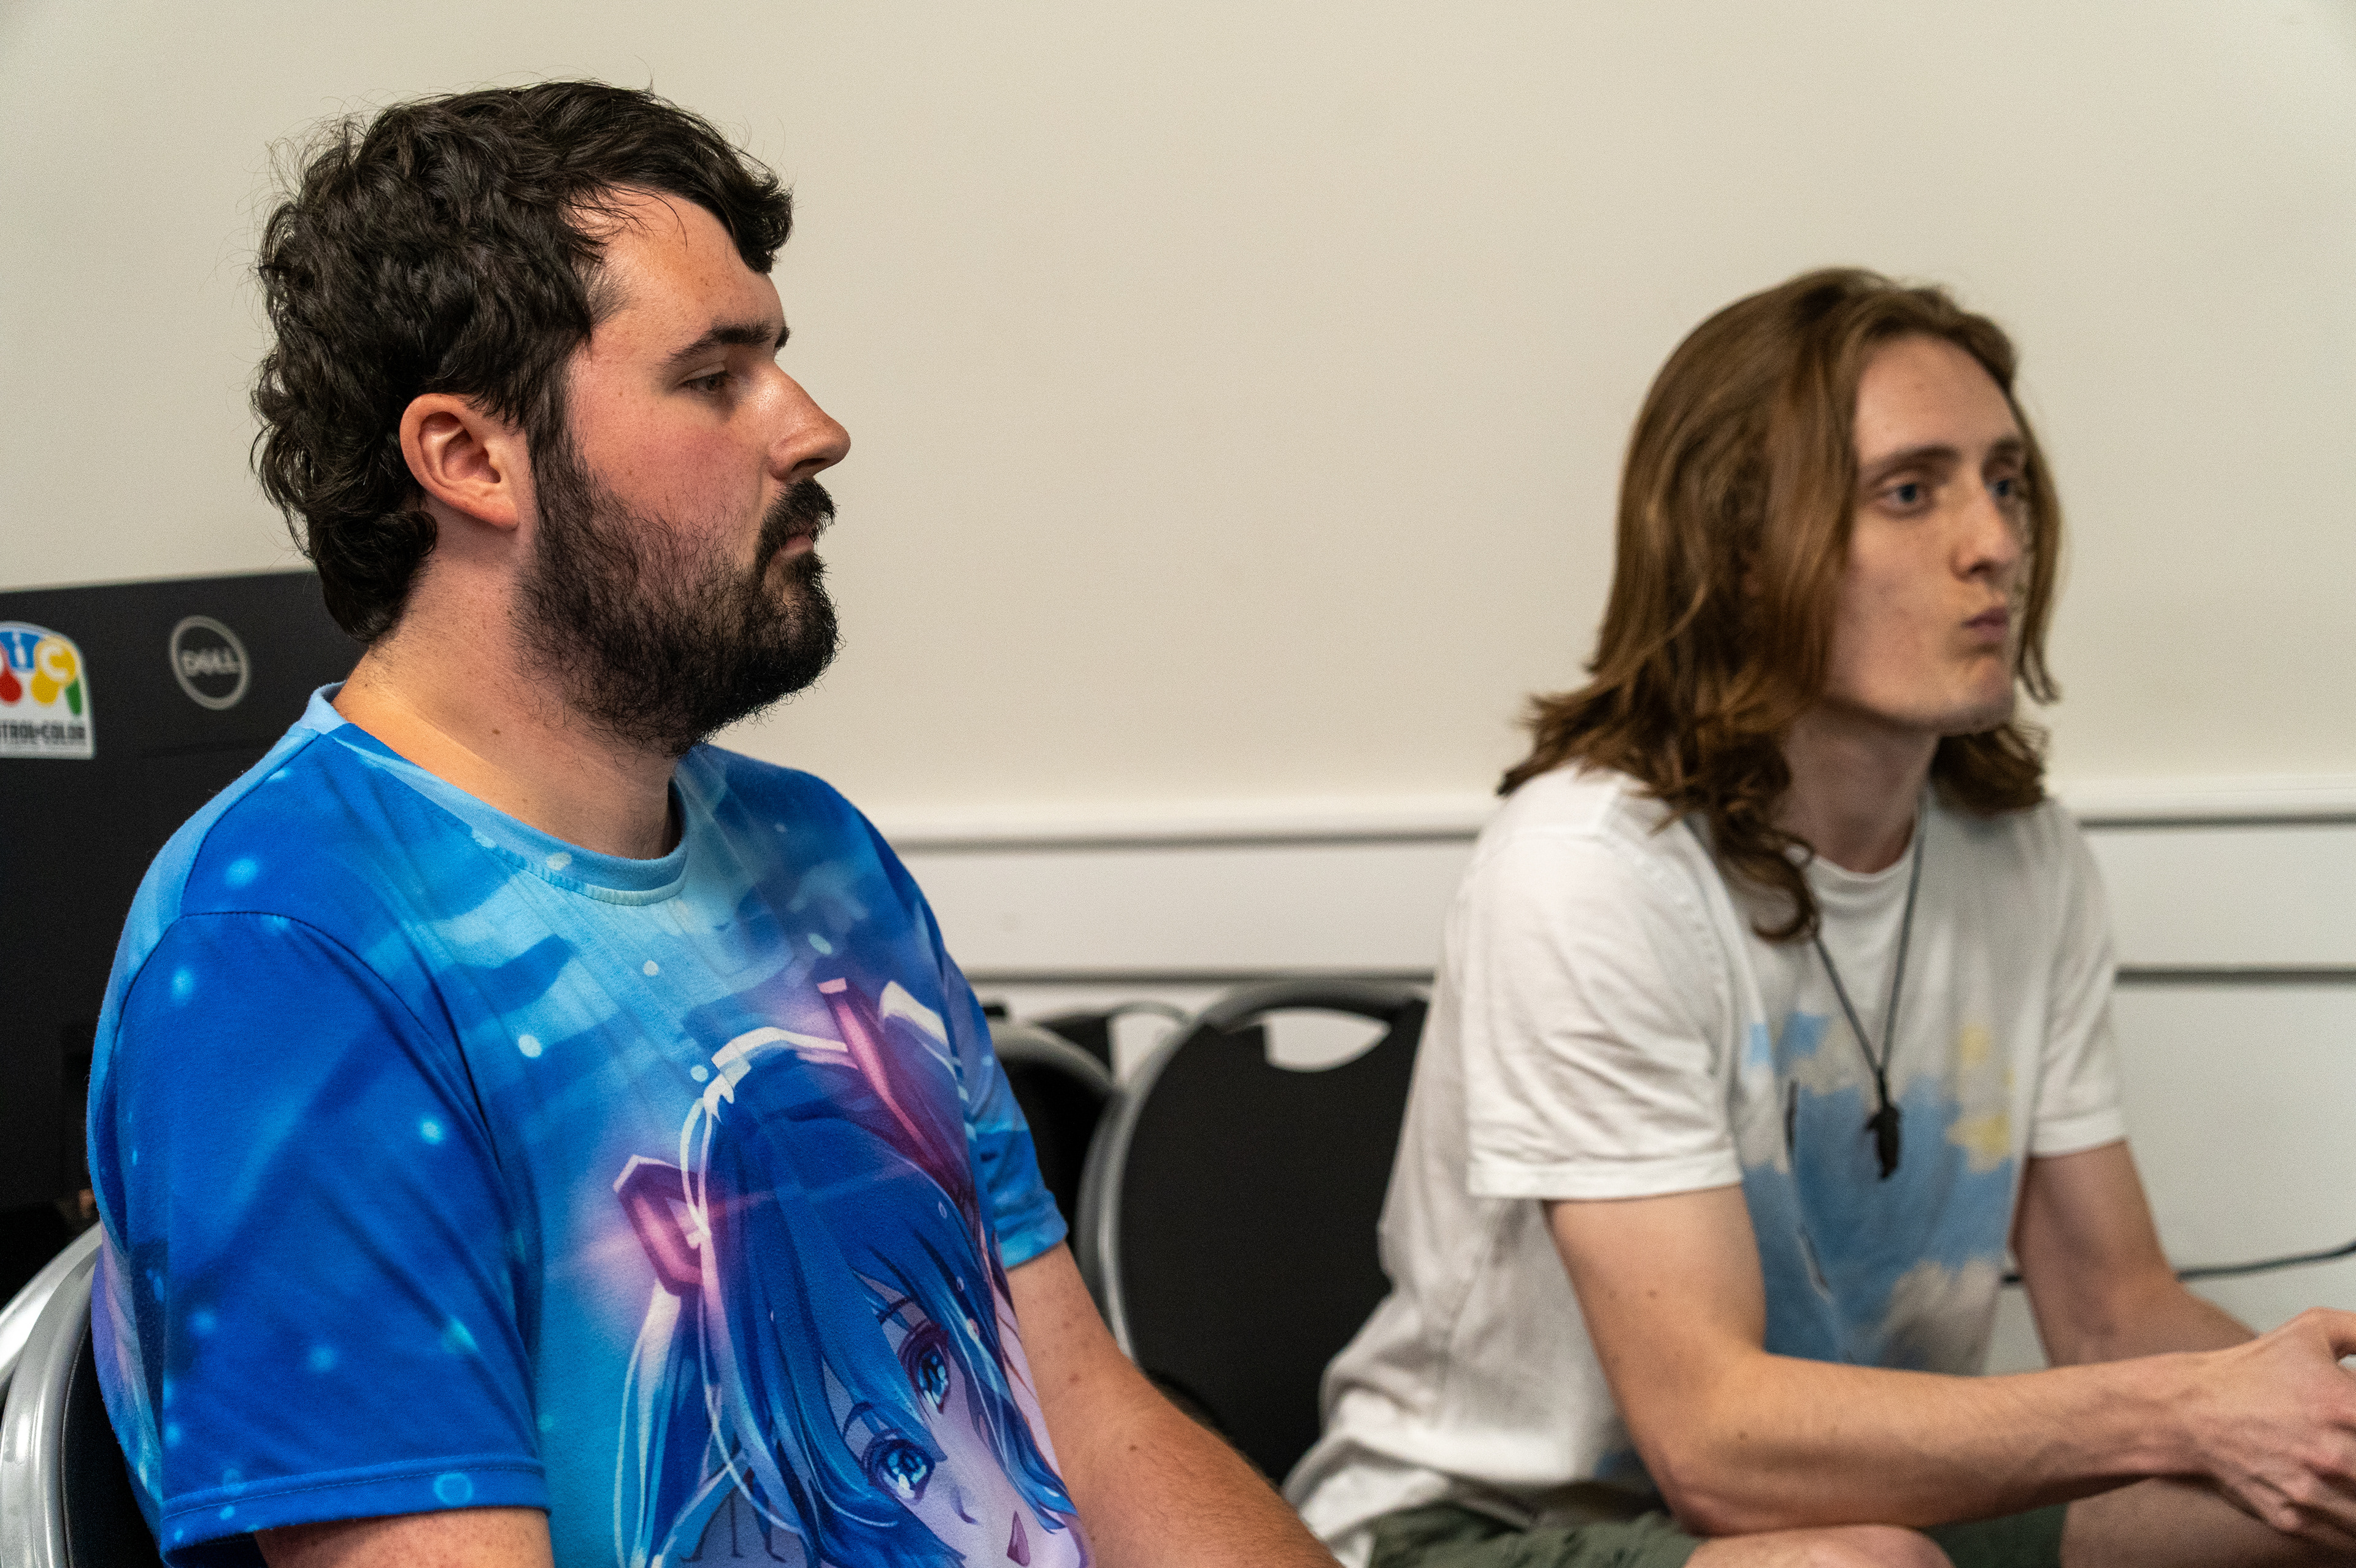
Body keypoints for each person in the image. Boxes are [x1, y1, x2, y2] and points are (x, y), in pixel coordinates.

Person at [85, 81, 1335, 1568]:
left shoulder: (820, 856)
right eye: (714, 376)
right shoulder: (286, 952)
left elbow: (1081, 1411)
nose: (816, 428)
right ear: (471, 458)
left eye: (778, 360)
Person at [1285, 269, 2356, 1568]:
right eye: (1910, 491)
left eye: (2006, 481)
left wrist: (2316, 1425)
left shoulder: (2026, 858)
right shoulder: (1588, 871)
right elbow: (1716, 1444)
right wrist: (2184, 1410)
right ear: (1741, 553)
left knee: (2294, 1516)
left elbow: (2113, 1310)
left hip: (1849, 1510)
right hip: (1481, 1527)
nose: (1994, 542)